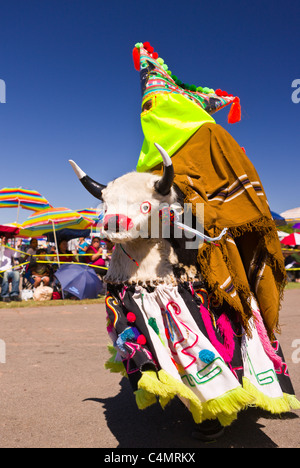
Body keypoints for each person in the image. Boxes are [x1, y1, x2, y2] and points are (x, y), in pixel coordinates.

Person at [0, 236, 21, 302]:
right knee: (5, 274)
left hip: (10, 270)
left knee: (17, 273)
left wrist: (18, 246)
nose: (4, 240)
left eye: (5, 238)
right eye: (2, 238)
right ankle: (4, 295)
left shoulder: (9, 249)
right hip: (1, 271)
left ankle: (14, 294)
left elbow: (17, 255)